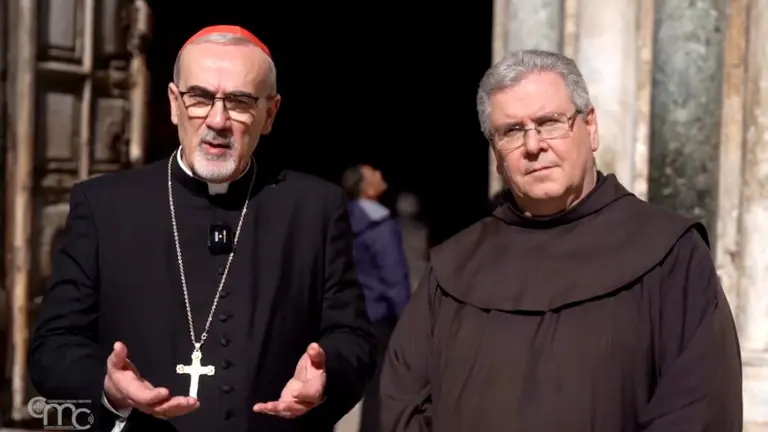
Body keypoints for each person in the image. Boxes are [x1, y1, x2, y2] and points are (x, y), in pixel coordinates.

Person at [28, 25, 376, 432]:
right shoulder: (104, 205)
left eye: (241, 102)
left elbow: (353, 337)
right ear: (175, 103)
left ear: (270, 114)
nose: (218, 120)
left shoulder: (315, 208)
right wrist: (108, 386)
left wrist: (325, 375)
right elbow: (53, 347)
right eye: (199, 98)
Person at [379, 49, 743, 431]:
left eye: (550, 122)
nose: (533, 146)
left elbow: (698, 409)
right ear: (496, 154)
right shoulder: (454, 267)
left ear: (591, 127)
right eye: (511, 131)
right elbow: (400, 405)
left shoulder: (670, 253)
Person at [340, 165, 411, 432]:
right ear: (366, 188)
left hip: (353, 313)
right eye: (373, 174)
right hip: (380, 317)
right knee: (380, 385)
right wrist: (408, 320)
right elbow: (394, 278)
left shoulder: (344, 219)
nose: (381, 174)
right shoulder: (380, 225)